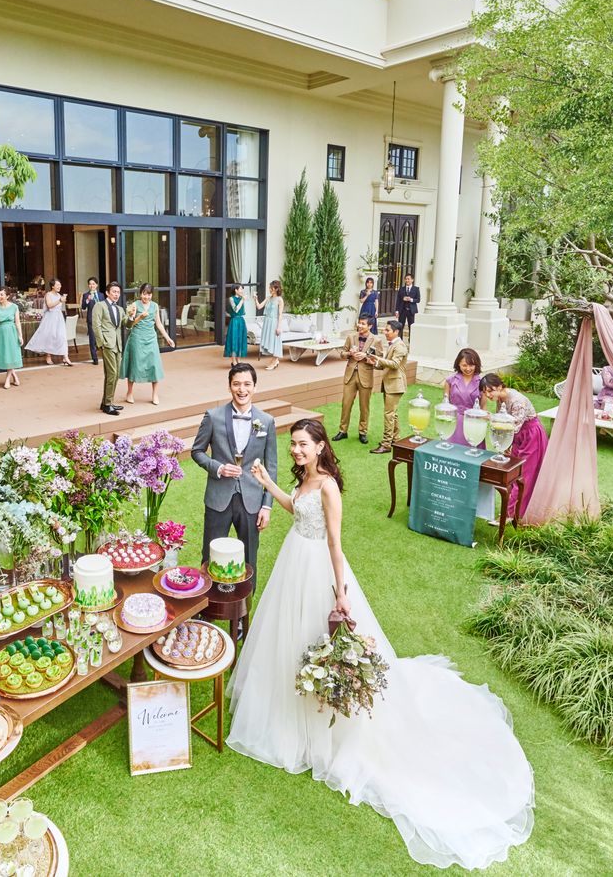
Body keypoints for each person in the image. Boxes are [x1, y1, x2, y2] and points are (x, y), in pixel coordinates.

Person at [232, 420, 534, 869]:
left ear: (320, 447)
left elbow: (335, 543)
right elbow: (297, 510)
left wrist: (340, 593)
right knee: (285, 639)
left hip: (316, 570)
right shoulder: (305, 479)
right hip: (293, 561)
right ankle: (285, 711)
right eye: (292, 444)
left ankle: (324, 728)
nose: (295, 450)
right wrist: (268, 483)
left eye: (303, 444)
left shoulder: (328, 486)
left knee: (315, 640)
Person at [191, 362, 278, 580]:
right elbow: (197, 451)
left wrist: (267, 505)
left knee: (249, 558)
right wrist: (218, 467)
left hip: (252, 500)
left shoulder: (266, 421)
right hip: (218, 498)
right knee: (210, 555)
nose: (242, 389)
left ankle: (245, 602)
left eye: (247, 384)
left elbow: (271, 467)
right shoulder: (213, 416)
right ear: (229, 386)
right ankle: (208, 601)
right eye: (236, 384)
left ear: (255, 387)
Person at [481, 373, 547, 519]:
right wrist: (506, 444)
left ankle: (510, 516)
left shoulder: (517, 400)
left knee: (523, 475)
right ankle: (509, 512)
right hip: (516, 437)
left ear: (499, 386)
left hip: (531, 436)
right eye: (485, 392)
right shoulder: (500, 399)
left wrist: (491, 417)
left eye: (490, 391)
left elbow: (514, 426)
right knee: (511, 474)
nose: (488, 395)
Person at [121, 283, 174, 405]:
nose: (146, 297)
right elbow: (130, 325)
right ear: (140, 294)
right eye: (144, 294)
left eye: (149, 294)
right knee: (134, 364)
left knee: (154, 365)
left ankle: (155, 394)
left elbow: (158, 324)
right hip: (137, 338)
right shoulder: (134, 305)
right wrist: (140, 317)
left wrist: (167, 338)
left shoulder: (154, 306)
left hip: (151, 339)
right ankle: (129, 393)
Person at [331, 316, 376, 446]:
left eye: (363, 324)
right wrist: (350, 353)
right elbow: (342, 354)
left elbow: (379, 358)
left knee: (364, 406)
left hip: (365, 376)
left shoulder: (376, 340)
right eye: (359, 323)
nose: (360, 325)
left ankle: (363, 432)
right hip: (350, 375)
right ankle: (342, 431)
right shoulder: (351, 337)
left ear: (370, 326)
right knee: (346, 404)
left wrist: (366, 356)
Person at [369, 320, 410, 454]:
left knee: (389, 414)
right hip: (391, 384)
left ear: (396, 332)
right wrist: (374, 362)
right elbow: (386, 365)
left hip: (395, 385)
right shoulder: (393, 345)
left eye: (388, 330)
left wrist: (378, 359)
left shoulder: (400, 346)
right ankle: (395, 439)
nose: (384, 332)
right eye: (385, 330)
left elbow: (395, 364)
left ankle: (386, 444)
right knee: (393, 414)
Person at [92, 280, 126, 415]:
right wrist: (101, 343)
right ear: (107, 293)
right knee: (112, 373)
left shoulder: (120, 309)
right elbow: (96, 325)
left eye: (118, 292)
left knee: (114, 374)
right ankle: (107, 405)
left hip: (118, 344)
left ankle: (107, 402)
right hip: (107, 344)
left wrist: (132, 316)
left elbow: (126, 324)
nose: (116, 294)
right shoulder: (99, 305)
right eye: (114, 292)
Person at [24, 278, 72, 366]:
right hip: (50, 318)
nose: (60, 286)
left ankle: (65, 356)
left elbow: (60, 308)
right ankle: (48, 356)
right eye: (57, 285)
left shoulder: (59, 295)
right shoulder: (48, 295)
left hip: (59, 318)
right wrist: (60, 300)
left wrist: (62, 302)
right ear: (52, 286)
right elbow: (49, 305)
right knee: (49, 337)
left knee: (62, 336)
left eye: (60, 285)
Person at [443, 348, 485, 446]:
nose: (468, 368)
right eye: (464, 365)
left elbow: (483, 408)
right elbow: (445, 404)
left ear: (476, 365)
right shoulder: (450, 381)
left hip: (473, 422)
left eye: (471, 365)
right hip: (454, 421)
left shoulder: (481, 383)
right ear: (458, 364)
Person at [0, 287, 24, 390]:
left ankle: (7, 380)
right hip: (1, 332)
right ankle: (15, 377)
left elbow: (17, 322)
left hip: (11, 332)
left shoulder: (14, 307)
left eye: (2, 294)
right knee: (6, 355)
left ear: (7, 296)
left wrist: (20, 335)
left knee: (10, 354)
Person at [256, 279, 284, 371]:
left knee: (275, 341)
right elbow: (259, 307)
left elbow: (280, 314)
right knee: (270, 341)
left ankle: (274, 361)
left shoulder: (279, 300)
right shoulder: (268, 298)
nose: (269, 289)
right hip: (267, 322)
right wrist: (255, 299)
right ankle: (275, 360)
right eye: (269, 288)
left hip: (274, 322)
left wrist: (279, 327)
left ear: (276, 289)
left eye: (271, 288)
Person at [224, 283, 249, 361]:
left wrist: (243, 299)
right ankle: (234, 361)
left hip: (241, 321)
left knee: (240, 339)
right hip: (234, 321)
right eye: (241, 289)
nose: (242, 291)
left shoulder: (241, 298)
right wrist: (242, 300)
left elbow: (242, 311)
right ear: (236, 290)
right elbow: (236, 310)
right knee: (234, 340)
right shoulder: (231, 299)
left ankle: (239, 359)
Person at [81, 277, 101, 365]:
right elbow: (83, 307)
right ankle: (95, 358)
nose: (91, 285)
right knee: (92, 339)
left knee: (99, 337)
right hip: (91, 319)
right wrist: (87, 300)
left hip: (101, 319)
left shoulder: (101, 295)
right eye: (90, 284)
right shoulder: (86, 295)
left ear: (96, 285)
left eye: (93, 284)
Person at [396, 274, 421, 339]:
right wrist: (397, 311)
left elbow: (418, 300)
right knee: (400, 326)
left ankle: (411, 340)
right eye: (406, 279)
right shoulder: (401, 289)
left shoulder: (416, 289)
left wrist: (411, 299)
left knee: (411, 326)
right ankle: (400, 340)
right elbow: (398, 300)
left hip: (411, 311)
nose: (407, 280)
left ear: (412, 280)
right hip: (402, 310)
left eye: (408, 279)